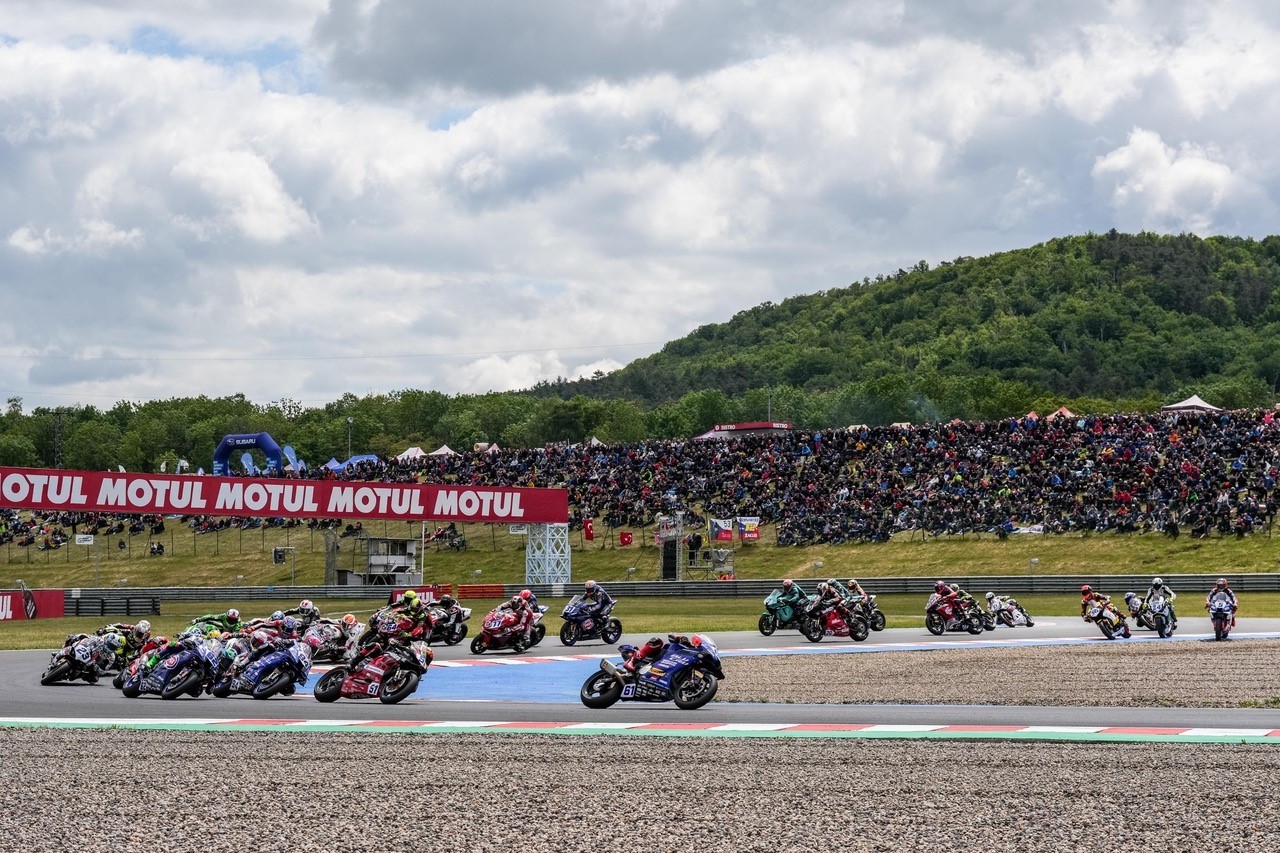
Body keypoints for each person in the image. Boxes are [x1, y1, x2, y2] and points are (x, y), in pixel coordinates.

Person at [623, 633, 700, 674]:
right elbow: (671, 635)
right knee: (657, 640)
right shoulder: (686, 643)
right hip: (659, 656)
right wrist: (679, 638)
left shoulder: (695, 657)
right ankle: (632, 661)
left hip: (668, 668)